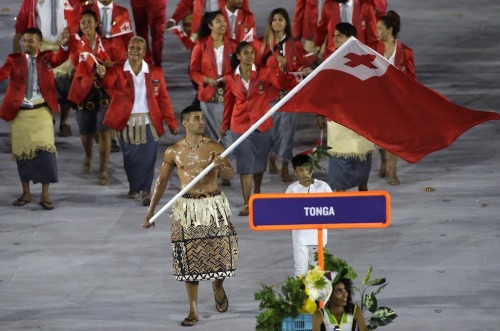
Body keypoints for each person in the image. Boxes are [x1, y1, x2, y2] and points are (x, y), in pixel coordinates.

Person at [143, 106, 238, 327]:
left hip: (213, 205)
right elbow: (162, 182)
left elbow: (229, 174)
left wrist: (220, 164)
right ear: (185, 123)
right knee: (188, 260)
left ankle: (217, 284)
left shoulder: (215, 147)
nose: (201, 121)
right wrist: (152, 211)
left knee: (224, 254)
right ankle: (193, 309)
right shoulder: (173, 151)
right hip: (187, 210)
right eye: (197, 118)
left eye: (203, 118)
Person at [99, 36, 179, 206]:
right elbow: (107, 82)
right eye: (132, 48)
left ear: (144, 52)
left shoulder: (155, 72)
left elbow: (163, 98)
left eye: (139, 48)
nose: (135, 51)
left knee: (148, 158)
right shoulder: (119, 69)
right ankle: (134, 186)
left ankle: (146, 191)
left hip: (149, 122)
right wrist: (102, 74)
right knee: (130, 159)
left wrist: (171, 123)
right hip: (126, 123)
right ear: (127, 50)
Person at [222, 41, 297, 216]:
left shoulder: (264, 73)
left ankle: (257, 192)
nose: (250, 56)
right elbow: (229, 103)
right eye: (246, 53)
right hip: (240, 126)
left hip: (262, 125)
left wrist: (281, 68)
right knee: (245, 164)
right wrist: (224, 126)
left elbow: (282, 84)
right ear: (238, 56)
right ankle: (248, 202)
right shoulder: (230, 78)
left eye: (252, 53)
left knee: (259, 164)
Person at [1, 27, 70, 210]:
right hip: (20, 113)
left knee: (46, 154)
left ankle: (45, 196)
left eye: (30, 41)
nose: (26, 44)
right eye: (24, 41)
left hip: (41, 113)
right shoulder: (13, 60)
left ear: (40, 43)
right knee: (22, 155)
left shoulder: (46, 58)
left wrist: (63, 45)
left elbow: (60, 58)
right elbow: (2, 74)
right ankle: (26, 193)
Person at [316, 23, 375, 192]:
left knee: (362, 164)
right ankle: (340, 199)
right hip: (338, 120)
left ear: (350, 39)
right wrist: (319, 114)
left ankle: (363, 200)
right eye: (334, 36)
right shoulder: (330, 61)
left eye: (339, 36)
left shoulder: (366, 61)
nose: (335, 39)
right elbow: (323, 91)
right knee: (338, 167)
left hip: (360, 120)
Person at [13, 0, 82, 138]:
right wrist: (16, 42)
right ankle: (48, 118)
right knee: (44, 86)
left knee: (66, 85)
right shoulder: (32, 1)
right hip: (42, 46)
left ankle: (65, 122)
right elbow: (23, 19)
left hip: (66, 45)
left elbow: (82, 18)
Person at [259, 8, 311, 182]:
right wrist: (273, 70)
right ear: (270, 23)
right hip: (269, 95)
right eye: (274, 19)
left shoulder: (295, 44)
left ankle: (286, 166)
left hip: (289, 95)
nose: (277, 23)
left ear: (286, 23)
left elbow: (300, 66)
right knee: (271, 132)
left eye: (281, 19)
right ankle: (271, 156)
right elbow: (257, 69)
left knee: (287, 133)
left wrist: (301, 69)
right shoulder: (263, 44)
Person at [190, 11, 238, 186]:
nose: (223, 24)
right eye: (218, 21)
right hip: (208, 98)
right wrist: (205, 79)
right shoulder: (201, 45)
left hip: (228, 96)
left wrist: (230, 79)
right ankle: (214, 170)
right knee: (210, 137)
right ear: (210, 25)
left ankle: (224, 166)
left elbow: (239, 68)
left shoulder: (233, 45)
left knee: (228, 135)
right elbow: (193, 71)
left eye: (224, 21)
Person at [67, 9, 112, 186]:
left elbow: (117, 62)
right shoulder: (76, 44)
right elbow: (74, 61)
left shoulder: (107, 43)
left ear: (97, 24)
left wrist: (107, 68)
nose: (86, 25)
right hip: (83, 91)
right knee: (86, 134)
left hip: (104, 91)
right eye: (83, 23)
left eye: (90, 22)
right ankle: (88, 155)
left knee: (104, 131)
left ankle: (103, 170)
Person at [376, 10, 416, 186]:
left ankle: (393, 171)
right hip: (378, 100)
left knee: (394, 137)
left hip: (397, 101)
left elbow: (412, 78)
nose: (377, 32)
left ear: (389, 30)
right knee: (378, 137)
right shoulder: (373, 49)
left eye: (379, 29)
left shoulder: (406, 52)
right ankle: (383, 158)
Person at [286, 154, 332, 276]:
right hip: (299, 237)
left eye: (307, 169)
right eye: (301, 170)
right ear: (295, 172)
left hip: (319, 237)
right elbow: (286, 212)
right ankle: (300, 295)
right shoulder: (292, 189)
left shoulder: (323, 187)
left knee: (318, 271)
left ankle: (319, 296)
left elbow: (333, 209)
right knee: (300, 271)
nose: (305, 173)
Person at [313, 0, 378, 60]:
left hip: (357, 55)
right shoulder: (328, 4)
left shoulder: (365, 5)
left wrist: (371, 57)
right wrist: (317, 44)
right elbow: (321, 29)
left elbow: (372, 35)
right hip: (333, 54)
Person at [164, 0, 250, 43]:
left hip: (223, 18)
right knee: (197, 55)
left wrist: (247, 22)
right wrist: (173, 20)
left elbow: (242, 2)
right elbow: (186, 2)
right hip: (201, 21)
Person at [130, 0, 167, 65]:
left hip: (154, 4)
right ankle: (148, 64)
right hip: (140, 3)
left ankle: (155, 65)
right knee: (143, 34)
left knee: (156, 33)